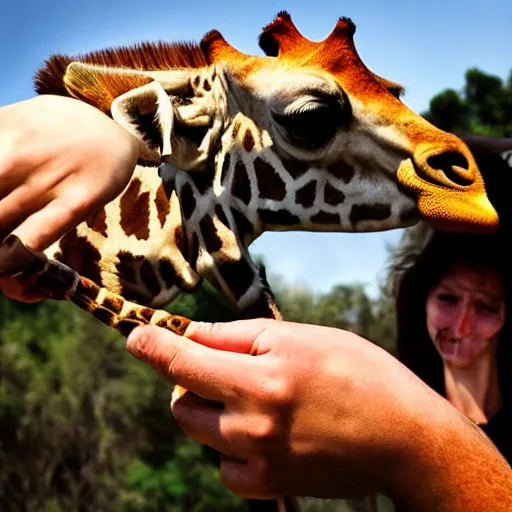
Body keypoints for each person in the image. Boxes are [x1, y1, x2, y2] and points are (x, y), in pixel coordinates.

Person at [0, 96, 511, 510]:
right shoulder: (391, 388)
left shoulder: (392, 407)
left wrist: (412, 448)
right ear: (419, 297)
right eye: (447, 298)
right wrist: (95, 130)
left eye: (486, 306)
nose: (461, 322)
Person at [392, 228, 512, 464]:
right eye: (448, 299)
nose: (461, 327)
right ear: (422, 302)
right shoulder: (406, 429)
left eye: (485, 307)